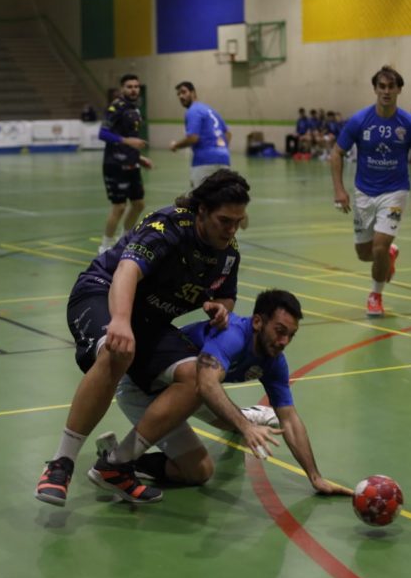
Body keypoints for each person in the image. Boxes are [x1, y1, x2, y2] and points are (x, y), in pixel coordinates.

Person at [33, 171, 272, 507]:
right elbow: (126, 271)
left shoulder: (227, 252)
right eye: (224, 220)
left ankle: (117, 465)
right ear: (201, 211)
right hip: (101, 293)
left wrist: (221, 308)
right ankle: (61, 464)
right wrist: (119, 320)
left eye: (238, 221)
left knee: (196, 379)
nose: (231, 229)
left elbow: (226, 297)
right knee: (117, 353)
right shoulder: (168, 226)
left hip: (149, 320)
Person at [107, 289, 351, 497]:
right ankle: (117, 460)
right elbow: (207, 385)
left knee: (199, 472)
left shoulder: (274, 360)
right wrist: (246, 428)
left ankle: (137, 462)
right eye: (279, 330)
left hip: (189, 391)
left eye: (290, 335)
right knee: (219, 404)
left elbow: (290, 419)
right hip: (142, 386)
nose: (284, 341)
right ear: (257, 322)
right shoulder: (232, 335)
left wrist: (315, 477)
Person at [331, 65, 411, 318]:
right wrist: (339, 190)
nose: (386, 91)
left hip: (395, 192)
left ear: (399, 89)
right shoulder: (359, 121)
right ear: (375, 89)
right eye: (382, 86)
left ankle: (375, 295)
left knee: (378, 248)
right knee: (365, 254)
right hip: (364, 193)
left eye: (391, 86)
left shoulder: (410, 124)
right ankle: (390, 254)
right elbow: (336, 153)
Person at [97, 74, 153, 255]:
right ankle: (105, 247)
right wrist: (127, 141)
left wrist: (139, 158)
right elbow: (103, 134)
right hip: (114, 164)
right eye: (129, 86)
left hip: (131, 164)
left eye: (136, 86)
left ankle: (125, 239)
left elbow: (131, 139)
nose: (133, 89)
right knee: (119, 206)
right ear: (122, 89)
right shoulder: (116, 107)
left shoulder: (135, 109)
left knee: (138, 204)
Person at [170, 81, 231, 186]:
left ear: (193, 93)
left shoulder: (193, 111)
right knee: (221, 198)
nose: (181, 96)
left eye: (184, 92)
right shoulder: (210, 110)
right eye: (178, 94)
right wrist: (220, 149)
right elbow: (228, 134)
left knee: (200, 198)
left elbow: (193, 138)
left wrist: (176, 145)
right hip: (224, 158)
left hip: (204, 161)